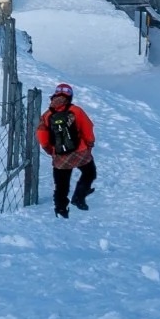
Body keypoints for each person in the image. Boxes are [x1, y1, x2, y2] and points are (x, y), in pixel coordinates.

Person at [34, 82, 96, 218]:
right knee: (90, 173)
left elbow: (42, 137)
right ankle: (79, 196)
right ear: (70, 97)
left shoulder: (47, 115)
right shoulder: (76, 111)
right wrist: (89, 145)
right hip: (80, 152)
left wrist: (51, 151)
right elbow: (88, 128)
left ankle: (61, 210)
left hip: (60, 156)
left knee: (61, 185)